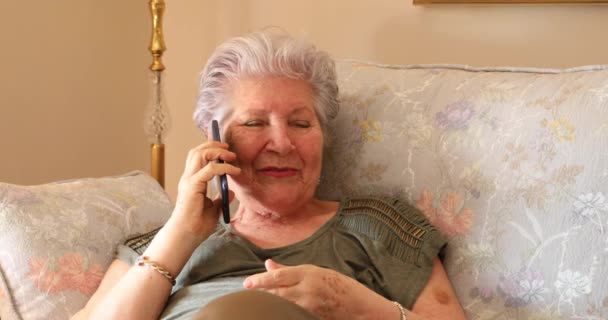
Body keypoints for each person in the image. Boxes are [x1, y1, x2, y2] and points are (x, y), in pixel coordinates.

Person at [73, 29, 466, 320]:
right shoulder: (156, 248)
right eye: (254, 123)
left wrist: (360, 305)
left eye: (300, 123)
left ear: (323, 137)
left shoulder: (381, 227)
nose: (281, 143)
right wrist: (178, 236)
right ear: (215, 142)